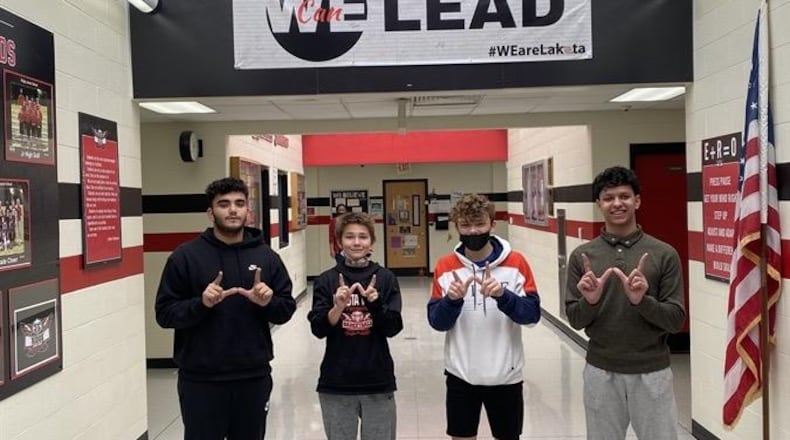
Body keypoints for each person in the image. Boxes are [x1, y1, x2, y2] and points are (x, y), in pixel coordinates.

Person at [155, 177, 296, 440]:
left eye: (239, 203)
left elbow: (286, 309)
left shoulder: (267, 257)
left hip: (253, 377)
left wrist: (268, 302)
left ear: (247, 211)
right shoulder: (185, 257)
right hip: (201, 380)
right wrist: (201, 304)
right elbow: (164, 314)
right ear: (211, 213)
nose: (232, 210)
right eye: (224, 204)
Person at [565, 166, 686, 440]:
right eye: (608, 198)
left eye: (624, 196)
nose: (617, 203)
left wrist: (642, 301)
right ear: (599, 204)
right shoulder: (583, 256)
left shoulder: (664, 254)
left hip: (652, 371)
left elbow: (676, 320)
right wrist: (591, 302)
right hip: (600, 371)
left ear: (637, 201)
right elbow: (575, 319)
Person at [427, 193, 541, 440]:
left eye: (479, 224)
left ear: (492, 224)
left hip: (506, 376)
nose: (473, 231)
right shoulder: (445, 266)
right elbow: (437, 322)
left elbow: (532, 316)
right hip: (461, 375)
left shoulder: (516, 263)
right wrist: (452, 301)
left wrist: (503, 295)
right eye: (465, 225)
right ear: (457, 227)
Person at [308, 211, 403, 440]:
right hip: (336, 382)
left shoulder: (386, 278)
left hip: (377, 381)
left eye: (363, 236)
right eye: (350, 237)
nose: (357, 242)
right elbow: (318, 329)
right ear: (340, 242)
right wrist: (338, 307)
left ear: (372, 243)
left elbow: (393, 328)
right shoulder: (326, 280)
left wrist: (375, 303)